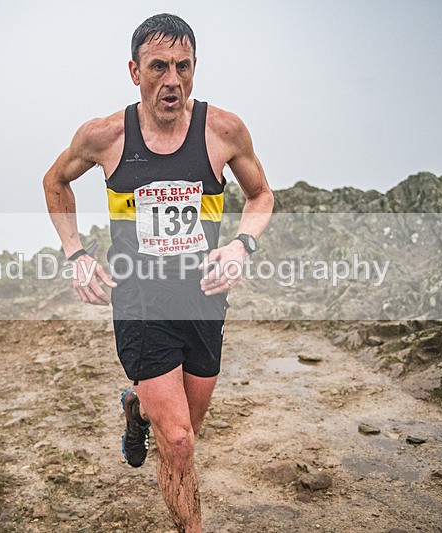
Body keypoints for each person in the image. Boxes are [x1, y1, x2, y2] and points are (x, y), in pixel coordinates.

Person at [43, 13, 273, 532]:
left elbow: (261, 194)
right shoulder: (104, 136)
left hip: (204, 300)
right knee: (179, 442)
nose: (172, 80)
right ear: (134, 71)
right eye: (158, 67)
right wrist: (76, 254)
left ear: (195, 67)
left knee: (188, 426)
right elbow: (55, 181)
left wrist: (241, 244)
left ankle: (137, 407)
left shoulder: (223, 130)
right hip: (140, 303)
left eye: (183, 66)